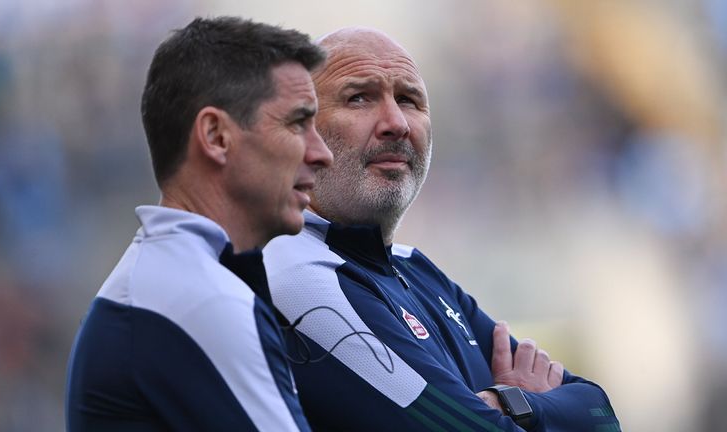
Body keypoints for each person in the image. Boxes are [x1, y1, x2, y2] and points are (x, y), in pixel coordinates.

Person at [262, 27, 621, 431]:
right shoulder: (299, 274)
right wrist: (529, 407)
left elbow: (603, 417)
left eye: (409, 100)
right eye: (359, 98)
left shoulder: (414, 269)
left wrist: (512, 405)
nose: (396, 123)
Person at [65, 16, 332, 431]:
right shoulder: (203, 301)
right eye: (298, 123)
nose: (321, 153)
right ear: (215, 136)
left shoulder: (169, 282)